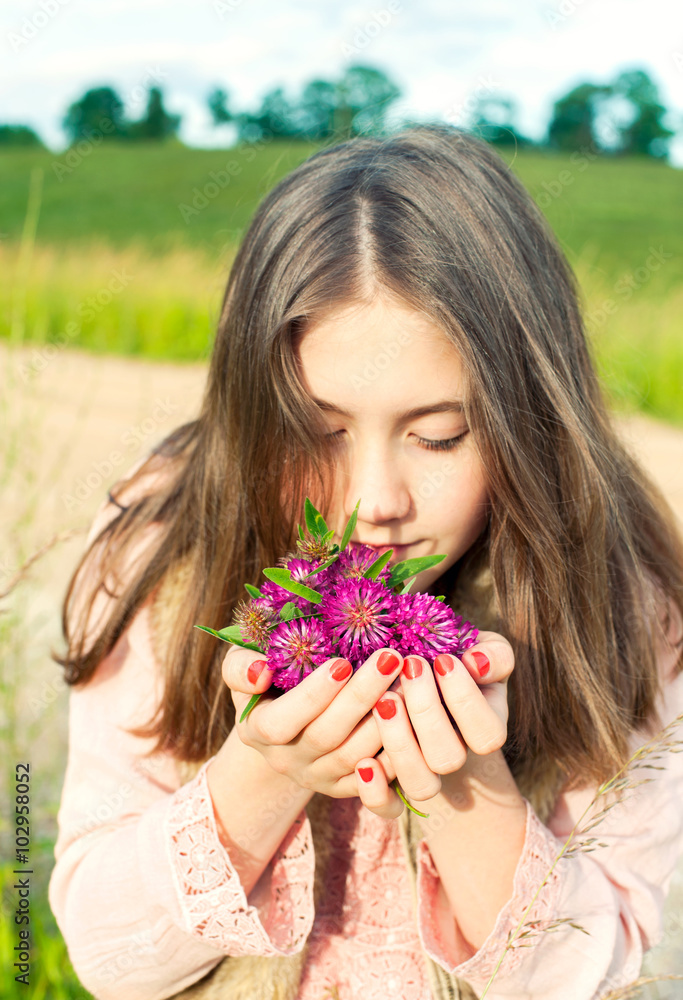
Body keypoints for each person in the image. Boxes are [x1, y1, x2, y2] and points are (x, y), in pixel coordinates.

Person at [49, 124, 683, 1000]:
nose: (373, 500)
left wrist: (469, 791)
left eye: (439, 435)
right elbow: (108, 958)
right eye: (317, 434)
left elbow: (601, 967)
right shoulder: (162, 548)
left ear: (529, 421)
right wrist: (264, 770)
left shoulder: (626, 596)